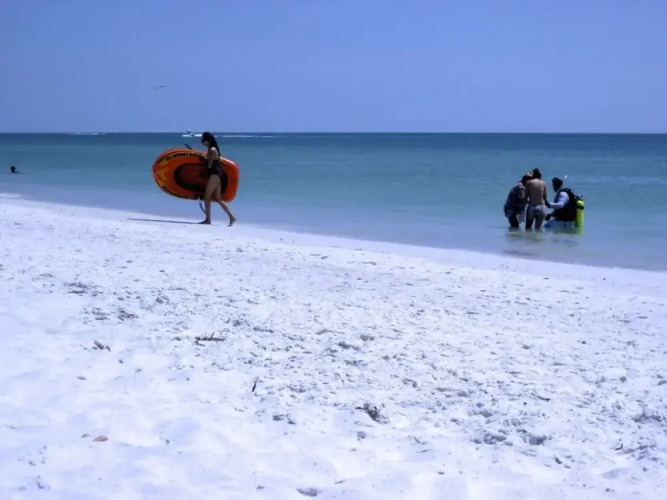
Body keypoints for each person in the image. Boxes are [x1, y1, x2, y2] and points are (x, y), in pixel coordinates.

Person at [199, 132, 236, 226]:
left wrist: (204, 161)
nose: (202, 142)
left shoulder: (211, 150)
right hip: (218, 175)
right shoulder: (213, 149)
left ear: (207, 140)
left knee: (207, 197)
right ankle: (232, 217)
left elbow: (209, 165)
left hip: (214, 174)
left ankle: (208, 220)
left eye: (203, 140)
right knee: (218, 199)